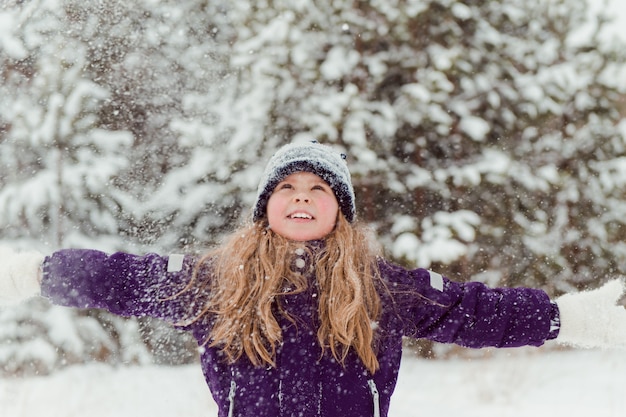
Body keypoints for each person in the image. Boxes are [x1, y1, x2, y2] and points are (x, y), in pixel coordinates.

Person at [1, 141, 626, 417]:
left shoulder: (380, 286)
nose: (302, 198)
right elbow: (122, 279)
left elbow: (472, 310)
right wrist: (33, 273)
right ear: (265, 206)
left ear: (340, 209)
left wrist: (570, 318)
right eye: (287, 188)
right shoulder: (216, 283)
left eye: (319, 188)